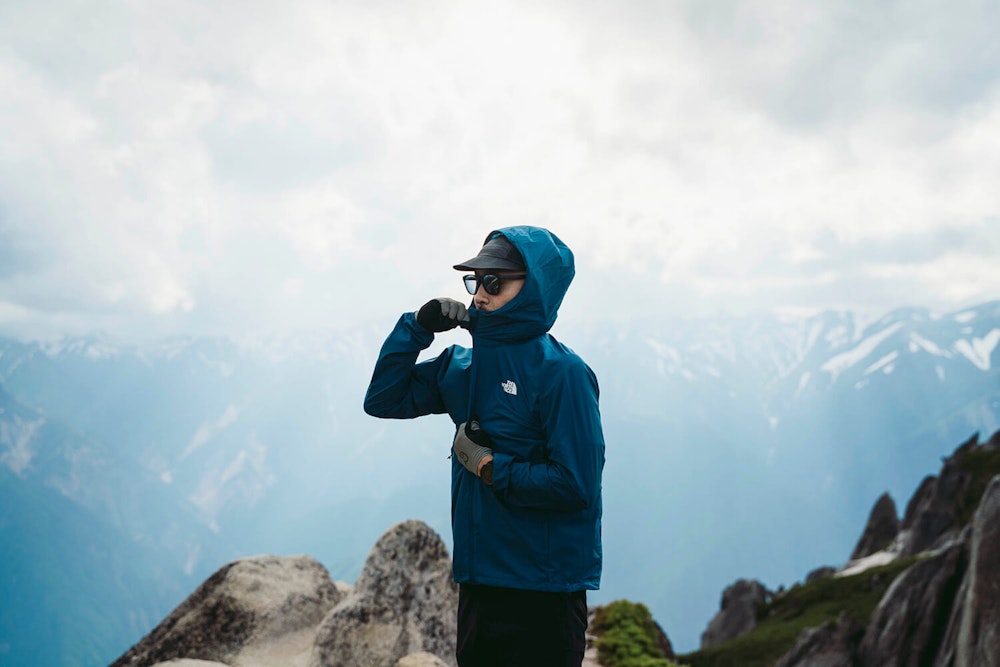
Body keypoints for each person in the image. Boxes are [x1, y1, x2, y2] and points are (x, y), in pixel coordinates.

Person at [364, 226, 605, 667]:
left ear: (533, 289)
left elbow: (576, 484)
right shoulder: (463, 368)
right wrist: (417, 328)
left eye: (494, 281)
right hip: (480, 582)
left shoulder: (563, 375)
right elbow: (383, 399)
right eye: (475, 280)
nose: (479, 294)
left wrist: (491, 467)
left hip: (544, 593)